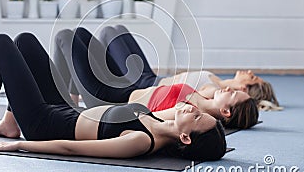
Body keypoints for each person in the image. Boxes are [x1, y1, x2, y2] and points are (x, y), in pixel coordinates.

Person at [0, 33, 226, 161]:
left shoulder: (142, 141)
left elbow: (73, 149)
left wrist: (22, 147)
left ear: (186, 138)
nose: (193, 110)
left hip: (43, 123)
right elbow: (177, 105)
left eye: (198, 117)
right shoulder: (160, 121)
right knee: (25, 41)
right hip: (62, 107)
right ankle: (9, 124)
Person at [54, 28, 259, 129]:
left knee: (64, 37)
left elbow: (149, 124)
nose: (230, 90)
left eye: (233, 95)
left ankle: (62, 106)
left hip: (108, 98)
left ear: (226, 111)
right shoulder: (205, 97)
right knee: (81, 34)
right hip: (124, 85)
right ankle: (70, 103)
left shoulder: (190, 113)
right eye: (234, 89)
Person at [98, 25, 280, 110]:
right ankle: (95, 80)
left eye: (253, 77)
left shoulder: (214, 91)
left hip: (144, 84)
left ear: (244, 89)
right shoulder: (218, 81)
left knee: (108, 33)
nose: (249, 72)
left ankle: (93, 84)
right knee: (118, 29)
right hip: (151, 76)